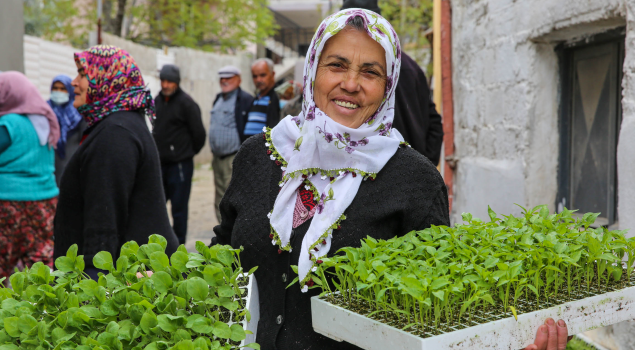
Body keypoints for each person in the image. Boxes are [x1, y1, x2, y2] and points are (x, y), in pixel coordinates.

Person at [212, 9, 569, 350]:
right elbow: (225, 248)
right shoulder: (260, 154)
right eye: (336, 65)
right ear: (312, 71)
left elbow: (438, 311)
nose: (350, 84)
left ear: (388, 85)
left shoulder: (414, 179)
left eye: (370, 72)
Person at [53, 45, 179, 279]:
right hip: (133, 273)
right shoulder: (120, 124)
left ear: (106, 79)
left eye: (82, 73)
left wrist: (93, 281)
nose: (74, 82)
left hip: (127, 281)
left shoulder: (115, 134)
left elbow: (103, 222)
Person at [341, 0, 444, 166]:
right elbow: (435, 124)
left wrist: (425, 169)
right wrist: (426, 164)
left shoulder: (406, 67)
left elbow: (433, 121)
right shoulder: (411, 66)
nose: (351, 85)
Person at [0, 71, 60, 280]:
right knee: (40, 264)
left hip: (6, 203)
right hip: (44, 202)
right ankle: (43, 308)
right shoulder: (44, 122)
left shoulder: (7, 124)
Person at [153, 64, 206, 245]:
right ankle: (160, 246)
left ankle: (179, 247)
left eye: (169, 81)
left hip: (180, 166)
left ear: (176, 82)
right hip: (160, 165)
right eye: (163, 81)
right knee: (156, 208)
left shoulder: (187, 104)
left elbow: (199, 135)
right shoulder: (156, 102)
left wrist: (185, 154)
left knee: (179, 210)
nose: (165, 85)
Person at [209, 65, 254, 223]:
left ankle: (232, 234)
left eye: (229, 78)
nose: (225, 81)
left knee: (232, 197)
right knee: (219, 196)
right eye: (222, 78)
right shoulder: (218, 98)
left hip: (232, 158)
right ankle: (221, 232)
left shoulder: (246, 100)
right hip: (217, 158)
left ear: (239, 79)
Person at [48, 74, 86, 184]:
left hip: (72, 162)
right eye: (55, 88)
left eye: (62, 88)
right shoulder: (45, 110)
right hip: (50, 163)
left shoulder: (79, 113)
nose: (58, 91)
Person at [242, 58, 280, 141]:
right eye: (255, 76)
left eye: (263, 75)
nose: (258, 80)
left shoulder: (278, 96)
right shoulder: (256, 98)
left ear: (272, 74)